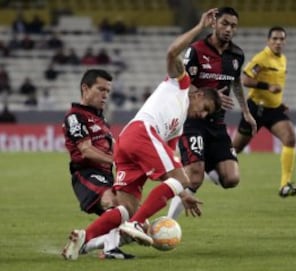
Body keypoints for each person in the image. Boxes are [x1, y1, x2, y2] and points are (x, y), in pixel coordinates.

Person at [62, 9, 222, 260]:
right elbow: (171, 52)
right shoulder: (180, 84)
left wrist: (183, 194)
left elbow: (168, 159)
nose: (203, 116)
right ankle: (136, 225)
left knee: (125, 207)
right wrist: (200, 27)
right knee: (183, 178)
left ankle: (85, 240)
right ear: (199, 95)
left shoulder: (178, 123)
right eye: (206, 109)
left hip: (129, 142)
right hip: (140, 132)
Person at [167, 6, 256, 219]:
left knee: (231, 179)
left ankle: (203, 164)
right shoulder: (197, 50)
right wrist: (210, 96)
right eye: (224, 23)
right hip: (193, 120)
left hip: (217, 124)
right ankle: (166, 223)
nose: (228, 29)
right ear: (214, 23)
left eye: (233, 26)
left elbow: (235, 82)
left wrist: (246, 111)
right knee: (194, 177)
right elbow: (180, 82)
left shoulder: (237, 55)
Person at [62, 69, 135, 259]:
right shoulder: (75, 116)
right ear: (85, 88)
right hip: (86, 175)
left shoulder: (100, 119)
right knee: (113, 202)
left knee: (134, 222)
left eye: (108, 91)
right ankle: (109, 250)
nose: (105, 95)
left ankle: (86, 244)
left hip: (107, 175)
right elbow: (86, 150)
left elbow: (117, 149)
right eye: (100, 89)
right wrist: (118, 160)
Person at [232, 26, 296, 198]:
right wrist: (267, 86)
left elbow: (277, 86)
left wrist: (280, 103)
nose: (278, 42)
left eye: (281, 39)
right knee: (236, 148)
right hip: (256, 109)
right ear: (268, 41)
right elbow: (246, 80)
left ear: (285, 42)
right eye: (275, 39)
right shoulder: (261, 59)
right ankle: (212, 166)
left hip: (274, 110)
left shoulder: (283, 59)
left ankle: (285, 184)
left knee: (290, 138)